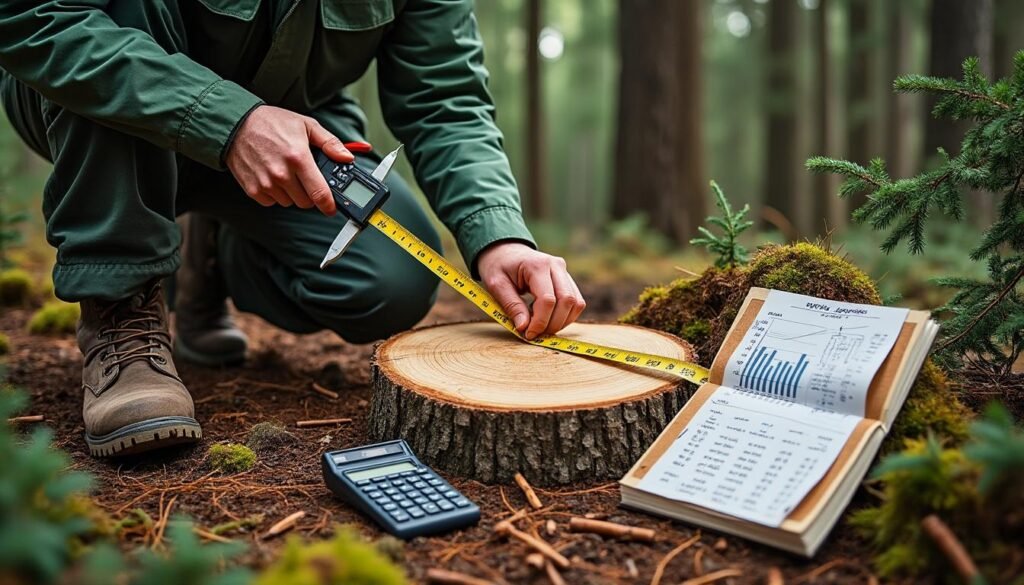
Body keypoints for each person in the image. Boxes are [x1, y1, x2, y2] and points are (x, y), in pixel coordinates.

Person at [0, 0, 586, 457]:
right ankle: (119, 308)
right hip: (106, 99)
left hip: (299, 129)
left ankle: (211, 257)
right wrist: (230, 120)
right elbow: (35, 16)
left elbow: (447, 100)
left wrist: (498, 234)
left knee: (387, 281)